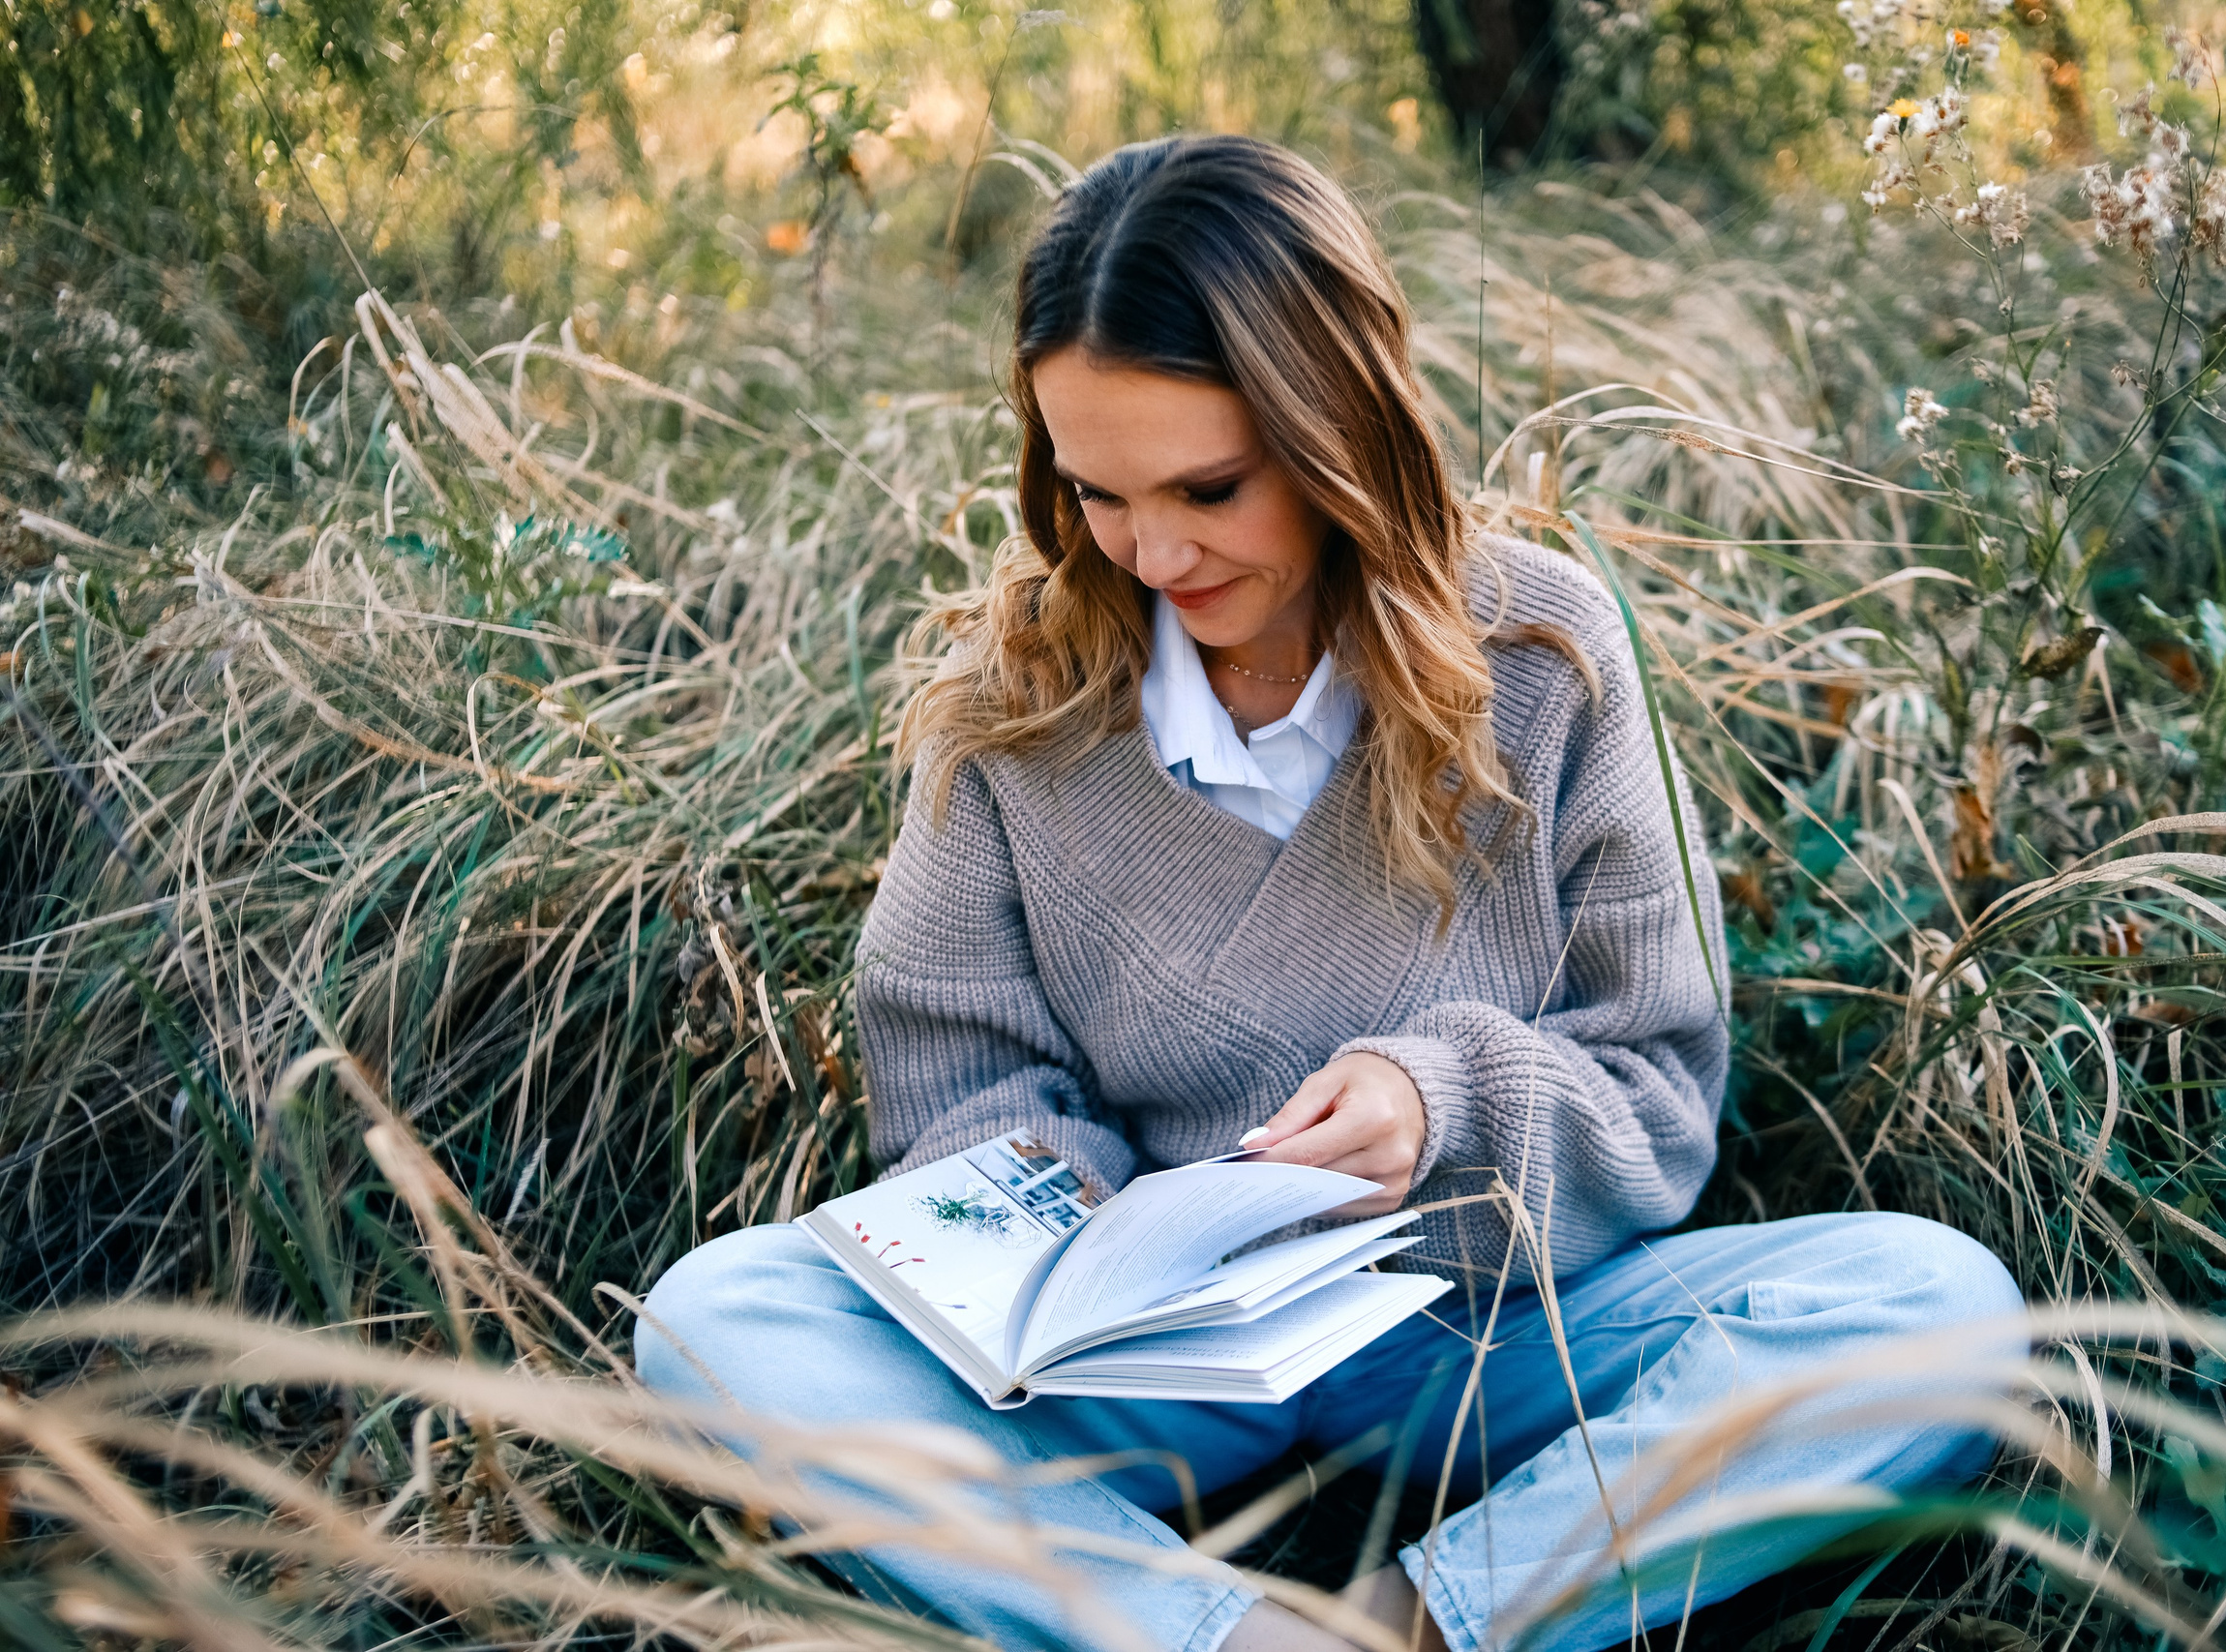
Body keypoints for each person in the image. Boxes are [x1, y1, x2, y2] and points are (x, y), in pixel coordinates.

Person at [636, 133, 2026, 1652]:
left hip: (1494, 1330)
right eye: (1096, 491)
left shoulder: (1540, 656)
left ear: (1334, 424)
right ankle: (1217, 1636)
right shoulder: (1015, 706)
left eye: (1210, 487)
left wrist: (1440, 1107)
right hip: (1157, 1368)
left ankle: (1436, 1618)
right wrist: (1096, 1230)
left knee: (1933, 1304)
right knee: (719, 1323)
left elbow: (1659, 1088)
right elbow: (957, 1090)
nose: (1153, 551)